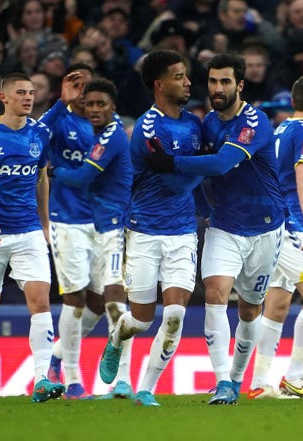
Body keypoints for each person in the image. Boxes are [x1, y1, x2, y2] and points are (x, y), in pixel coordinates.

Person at [146, 52, 285, 405]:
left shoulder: (255, 121)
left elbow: (222, 164)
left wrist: (172, 162)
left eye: (225, 82)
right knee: (214, 293)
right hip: (224, 225)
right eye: (212, 81)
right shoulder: (206, 123)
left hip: (266, 227)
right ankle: (223, 382)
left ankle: (237, 378)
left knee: (251, 309)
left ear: (240, 85)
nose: (217, 88)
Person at [98, 50, 203, 407]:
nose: (187, 82)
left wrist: (198, 166)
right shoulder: (147, 128)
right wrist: (210, 166)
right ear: (160, 85)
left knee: (174, 316)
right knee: (141, 320)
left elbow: (186, 173)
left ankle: (146, 389)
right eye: (179, 76)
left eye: (186, 75)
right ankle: (116, 339)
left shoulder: (194, 124)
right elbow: (176, 184)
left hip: (183, 231)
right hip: (144, 230)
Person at [0, 72, 64, 404]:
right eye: (21, 92)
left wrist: (45, 225)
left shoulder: (40, 133)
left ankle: (42, 379)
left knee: (41, 302)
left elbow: (41, 180)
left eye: (31, 92)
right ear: (3, 97)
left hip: (29, 231)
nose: (28, 97)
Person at [42, 66, 134, 400]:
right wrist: (58, 103)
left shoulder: (106, 126)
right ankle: (72, 381)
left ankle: (55, 356)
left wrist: (58, 170)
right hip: (67, 220)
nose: (84, 96)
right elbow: (33, 136)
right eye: (74, 85)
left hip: (105, 223)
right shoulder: (60, 120)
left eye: (87, 87)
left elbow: (86, 174)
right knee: (76, 298)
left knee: (101, 302)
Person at [247, 75, 303, 400]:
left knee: (278, 305)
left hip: (270, 225)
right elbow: (302, 175)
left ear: (293, 102)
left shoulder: (279, 129)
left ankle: (260, 382)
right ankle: (295, 376)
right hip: (291, 226)